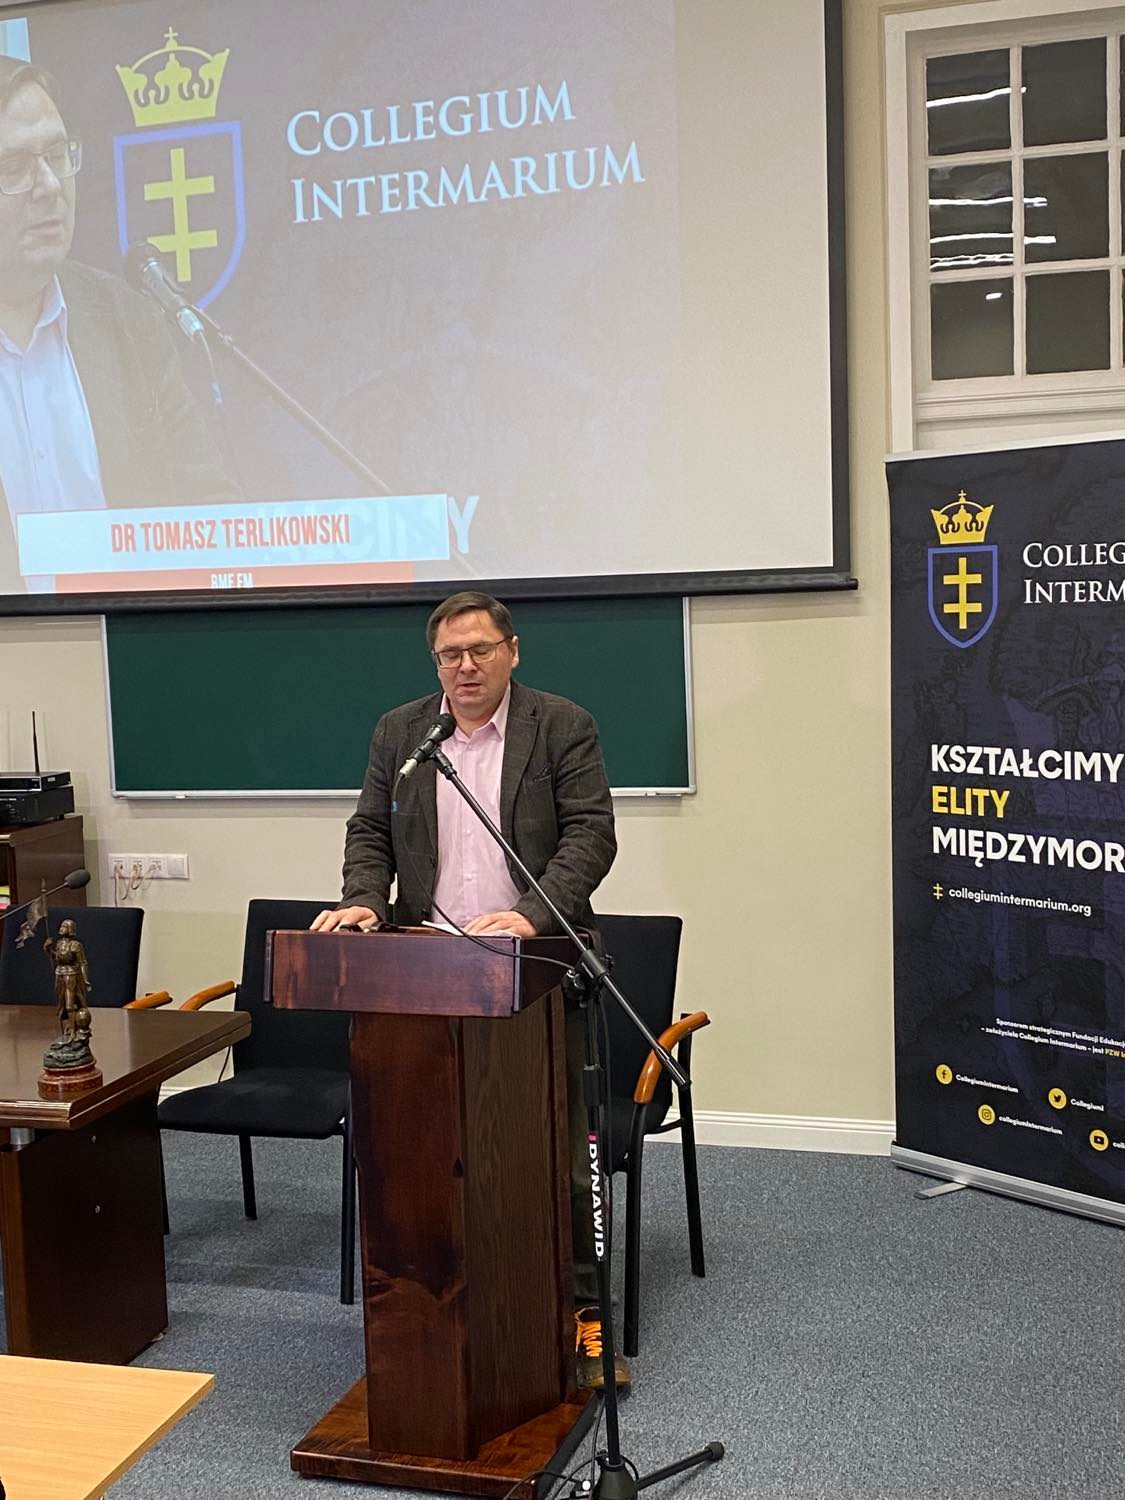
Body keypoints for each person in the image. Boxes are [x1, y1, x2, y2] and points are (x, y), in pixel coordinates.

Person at [312, 590, 627, 1387]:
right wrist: (363, 898)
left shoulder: (561, 725)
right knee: (434, 1153)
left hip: (536, 966)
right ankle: (442, 1312)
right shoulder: (402, 732)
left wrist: (530, 915)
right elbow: (370, 829)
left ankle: (584, 1321)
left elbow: (591, 834)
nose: (465, 667)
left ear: (511, 651)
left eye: (480, 650)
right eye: (450, 655)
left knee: (561, 1157)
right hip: (428, 972)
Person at [0, 54, 236, 593]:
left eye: (57, 155)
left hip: (134, 635)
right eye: (13, 167)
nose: (49, 186)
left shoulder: (128, 321)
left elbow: (211, 507)